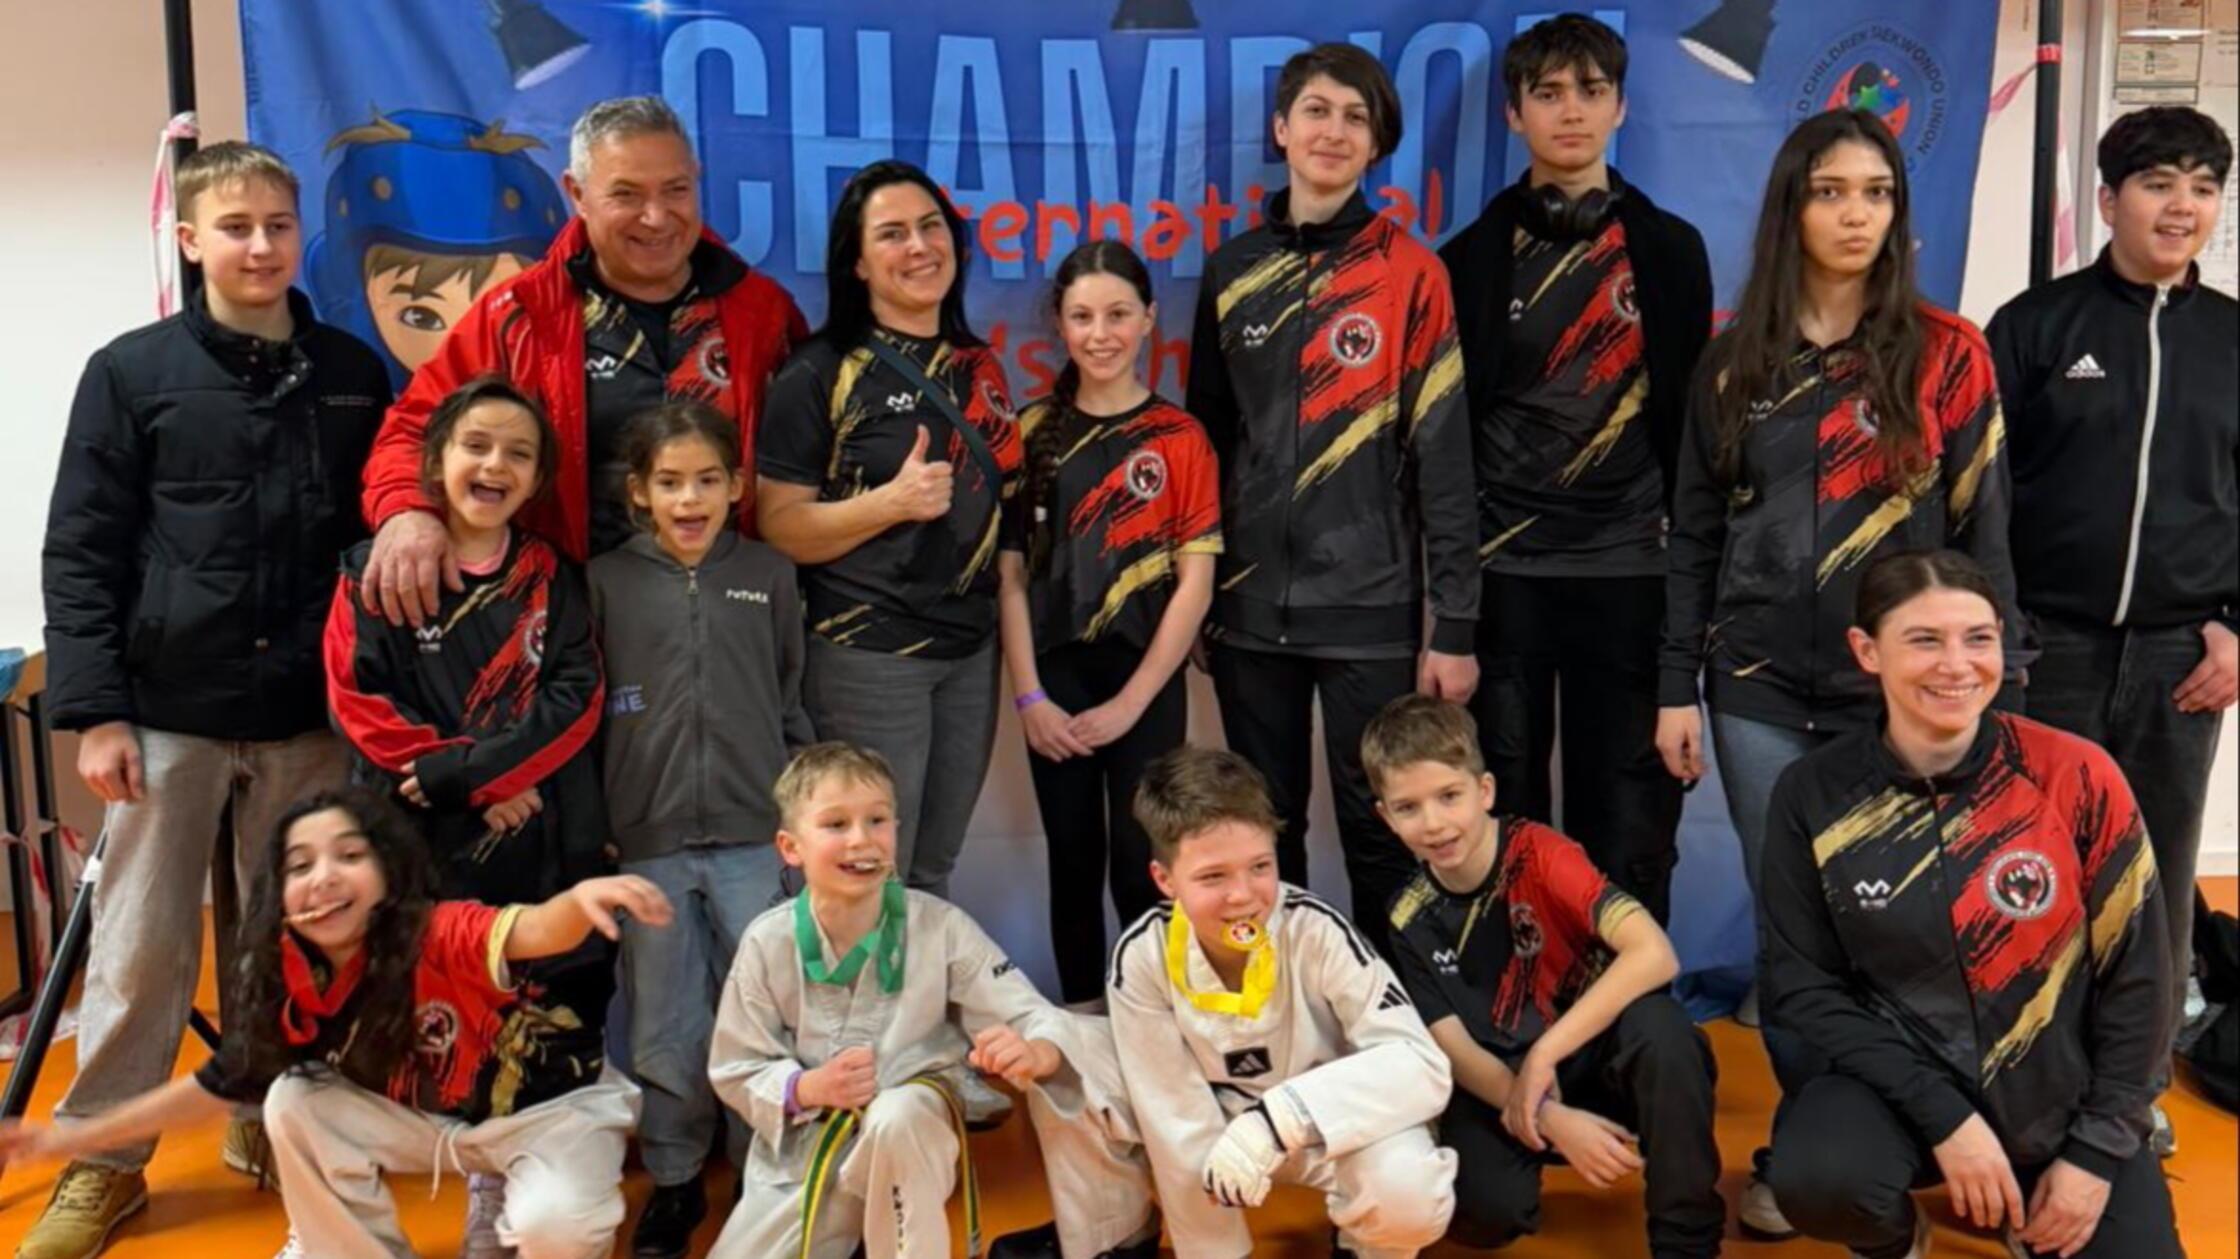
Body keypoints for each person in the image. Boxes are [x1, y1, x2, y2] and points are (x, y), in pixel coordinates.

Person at [1651, 106, 2023, 1238]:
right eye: (1830, 192)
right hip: (1757, 691)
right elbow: (1693, 536)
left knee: (1920, 925)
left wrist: (1992, 682)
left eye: (1875, 192)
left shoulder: (1948, 353)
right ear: (1791, 209)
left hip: (1907, 697)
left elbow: (1984, 532)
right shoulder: (1735, 363)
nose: (1855, 214)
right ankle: (1810, 1145)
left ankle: (1946, 1135)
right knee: (1797, 934)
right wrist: (1674, 684)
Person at [31, 139, 391, 1259]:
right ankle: (103, 1163)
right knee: (140, 951)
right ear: (191, 240)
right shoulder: (130, 372)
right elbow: (81, 549)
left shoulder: (350, 371)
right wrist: (96, 710)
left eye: (277, 225)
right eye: (235, 227)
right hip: (166, 715)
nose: (260, 246)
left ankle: (267, 1112)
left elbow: (374, 534)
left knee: (292, 935)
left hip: (305, 715)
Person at [0, 788, 672, 1259]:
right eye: (300, 865)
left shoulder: (437, 930)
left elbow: (535, 928)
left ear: (388, 874)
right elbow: (208, 1090)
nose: (323, 877)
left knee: (556, 1227)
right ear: (279, 896)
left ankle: (505, 1189)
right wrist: (62, 1140)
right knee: (292, 1099)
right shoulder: (292, 977)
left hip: (550, 1114)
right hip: (441, 1126)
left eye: (349, 856)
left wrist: (580, 901)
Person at [1760, 550, 2180, 1259]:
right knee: (1821, 1180)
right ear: (1867, 650)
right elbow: (1804, 985)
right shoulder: (1813, 794)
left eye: (1977, 638)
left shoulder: (2075, 773)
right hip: (1901, 1092)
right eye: (1924, 639)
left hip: (2058, 1099)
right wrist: (1947, 1118)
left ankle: (2031, 1199)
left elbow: (2140, 977)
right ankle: (1896, 1240)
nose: (1957, 665)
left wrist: (2096, 1152)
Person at [1187, 43, 1480, 957]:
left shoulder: (1413, 273)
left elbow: (1445, 461)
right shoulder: (1231, 269)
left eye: (1356, 117)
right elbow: (1204, 446)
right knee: (1259, 831)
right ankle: (1278, 1006)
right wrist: (1196, 596)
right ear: (1281, 129)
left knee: (1380, 826)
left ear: (1377, 143)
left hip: (1371, 609)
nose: (1333, 131)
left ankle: (1394, 1013)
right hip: (1247, 612)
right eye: (1316, 111)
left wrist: (1455, 624)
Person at [1986, 105, 2237, 1158]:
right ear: (2106, 199)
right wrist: (1996, 631)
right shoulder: (2034, 326)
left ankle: (2132, 1092)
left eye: (2202, 187)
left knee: (2158, 880)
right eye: (2157, 183)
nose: (2181, 205)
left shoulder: (2231, 337)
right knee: (2030, 867)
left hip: (2183, 659)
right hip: (2048, 648)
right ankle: (2024, 1078)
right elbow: (1980, 494)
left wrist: (2234, 628)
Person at [324, 377, 611, 1255]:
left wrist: (484, 771)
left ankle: (498, 1182)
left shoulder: (550, 575)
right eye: (476, 445)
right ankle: (343, 1209)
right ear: (436, 459)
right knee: (411, 1015)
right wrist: (468, 782)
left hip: (538, 836)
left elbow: (577, 695)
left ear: (540, 478)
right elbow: (358, 699)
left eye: (518, 453)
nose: (494, 465)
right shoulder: (372, 573)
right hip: (423, 835)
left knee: (527, 1012)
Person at [1436, 13, 1711, 924]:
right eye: (1548, 94)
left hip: (1631, 572)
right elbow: (1445, 440)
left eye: (1591, 92)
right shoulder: (1466, 262)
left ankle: (1630, 1004)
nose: (1571, 112)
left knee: (1630, 826)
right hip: (1507, 577)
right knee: (1505, 814)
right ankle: (1521, 992)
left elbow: (1692, 430)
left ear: (1620, 106)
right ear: (1513, 114)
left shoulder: (1671, 250)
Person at [357, 94, 805, 620]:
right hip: (572, 626)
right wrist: (408, 513)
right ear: (577, 194)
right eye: (626, 194)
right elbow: (414, 429)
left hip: (728, 625)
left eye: (676, 190)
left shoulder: (763, 312)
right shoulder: (519, 314)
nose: (656, 217)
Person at [705, 742, 1159, 1259]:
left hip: (911, 1131)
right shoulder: (767, 942)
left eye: (878, 820)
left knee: (902, 1113)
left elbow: (1028, 1013)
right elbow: (736, 1064)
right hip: (809, 1145)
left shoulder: (939, 926)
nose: (862, 839)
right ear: (791, 847)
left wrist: (1035, 1050)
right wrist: (805, 1087)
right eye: (836, 824)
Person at [1365, 694, 1722, 1256]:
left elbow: (1656, 953)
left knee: (1665, 1033)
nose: (1434, 824)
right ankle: (1521, 1153)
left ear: (1484, 791)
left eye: (1449, 796)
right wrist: (1549, 1116)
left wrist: (1545, 1054)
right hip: (1503, 1079)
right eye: (1408, 807)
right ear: (1385, 817)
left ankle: (1686, 1240)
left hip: (1591, 1052)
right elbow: (1455, 1048)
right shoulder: (1406, 915)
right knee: (1478, 1215)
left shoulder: (1541, 852)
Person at [756, 160, 1021, 901]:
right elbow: (778, 526)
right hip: (868, 654)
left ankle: (917, 983)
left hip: (970, 651)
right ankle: (855, 986)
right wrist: (890, 502)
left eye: (931, 227)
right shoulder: (818, 372)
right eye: (893, 233)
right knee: (865, 871)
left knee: (933, 866)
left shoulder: (978, 364)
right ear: (858, 261)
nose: (918, 246)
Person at [588, 399, 816, 1256]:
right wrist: (601, 823)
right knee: (665, 1018)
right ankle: (677, 1175)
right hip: (645, 840)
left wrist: (795, 814)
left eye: (708, 480)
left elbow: (789, 693)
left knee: (760, 1010)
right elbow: (585, 714)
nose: (689, 499)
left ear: (737, 486)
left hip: (754, 836)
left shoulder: (770, 573)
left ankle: (763, 1169)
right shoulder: (604, 581)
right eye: (670, 482)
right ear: (639, 491)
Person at [1104, 745, 1457, 1258]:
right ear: (1165, 880)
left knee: (1409, 1193)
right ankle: (1115, 1236)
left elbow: (1421, 1066)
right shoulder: (1141, 956)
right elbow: (1174, 1121)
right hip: (1222, 1130)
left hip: (1328, 1124)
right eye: (1213, 876)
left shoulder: (1317, 930)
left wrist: (1276, 1122)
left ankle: (1362, 1245)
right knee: (1077, 1055)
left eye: (1259, 866)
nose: (1243, 895)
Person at [998, 239, 1221, 1006]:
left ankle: (1155, 1017)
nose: (1101, 334)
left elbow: (1195, 585)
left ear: (1149, 319)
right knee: (1073, 860)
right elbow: (1010, 578)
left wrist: (1131, 703)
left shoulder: (1180, 437)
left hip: (1145, 684)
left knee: (1142, 862)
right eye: (1083, 316)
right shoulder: (1030, 432)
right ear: (1059, 324)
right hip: (1056, 686)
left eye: (1119, 314)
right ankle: (1084, 1021)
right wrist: (1030, 697)